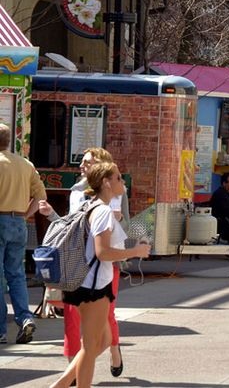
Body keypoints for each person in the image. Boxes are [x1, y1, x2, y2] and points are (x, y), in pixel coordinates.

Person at [49, 162, 150, 388]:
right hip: (92, 287)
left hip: (86, 283)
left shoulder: (91, 206)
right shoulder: (103, 211)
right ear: (106, 182)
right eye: (118, 178)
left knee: (103, 341)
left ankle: (61, 384)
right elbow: (102, 252)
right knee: (90, 346)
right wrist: (136, 252)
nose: (122, 182)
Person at [39, 147, 125, 375]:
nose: (81, 166)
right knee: (71, 317)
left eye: (87, 162)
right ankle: (73, 370)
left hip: (104, 265)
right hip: (75, 262)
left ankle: (114, 350)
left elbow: (117, 226)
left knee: (106, 316)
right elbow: (70, 226)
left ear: (100, 166)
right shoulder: (77, 190)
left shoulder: (115, 190)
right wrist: (52, 215)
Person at [0, 123, 45, 346]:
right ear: (8, 141)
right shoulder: (26, 165)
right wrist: (25, 215)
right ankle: (25, 318)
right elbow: (40, 196)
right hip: (18, 221)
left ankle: (0, 330)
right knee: (16, 274)